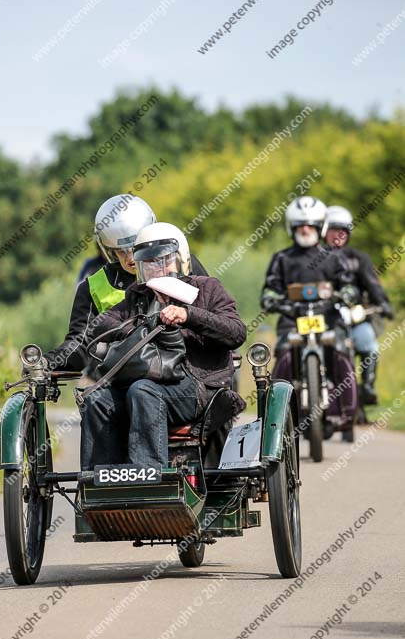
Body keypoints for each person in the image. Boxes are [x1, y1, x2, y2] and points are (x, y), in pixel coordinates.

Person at [79, 222, 246, 470]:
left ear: (182, 259)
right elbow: (100, 325)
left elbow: (236, 331)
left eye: (165, 260)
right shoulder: (137, 296)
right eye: (150, 262)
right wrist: (138, 325)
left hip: (199, 388)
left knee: (142, 390)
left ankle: (148, 479)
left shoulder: (207, 288)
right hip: (145, 387)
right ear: (140, 267)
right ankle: (100, 488)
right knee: (98, 400)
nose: (159, 268)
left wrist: (189, 316)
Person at [44, 194, 208, 371]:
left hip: (189, 369)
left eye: (135, 248)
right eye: (121, 252)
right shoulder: (91, 287)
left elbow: (215, 316)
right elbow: (80, 344)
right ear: (109, 251)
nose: (130, 258)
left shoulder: (181, 263)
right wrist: (47, 361)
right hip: (126, 377)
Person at [260, 196, 356, 355]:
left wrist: (348, 292)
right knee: (283, 352)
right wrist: (270, 298)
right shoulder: (281, 258)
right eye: (300, 226)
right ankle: (282, 381)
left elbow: (348, 284)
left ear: (320, 227)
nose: (305, 230)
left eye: (310, 225)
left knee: (341, 351)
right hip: (291, 320)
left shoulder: (334, 257)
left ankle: (349, 381)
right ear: (292, 228)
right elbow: (271, 288)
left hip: (329, 318)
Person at [322, 205, 393, 405]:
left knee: (369, 343)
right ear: (324, 232)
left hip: (354, 317)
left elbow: (372, 284)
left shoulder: (358, 258)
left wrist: (384, 304)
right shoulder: (314, 258)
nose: (338, 234)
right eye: (334, 230)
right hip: (325, 319)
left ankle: (368, 387)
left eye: (343, 230)